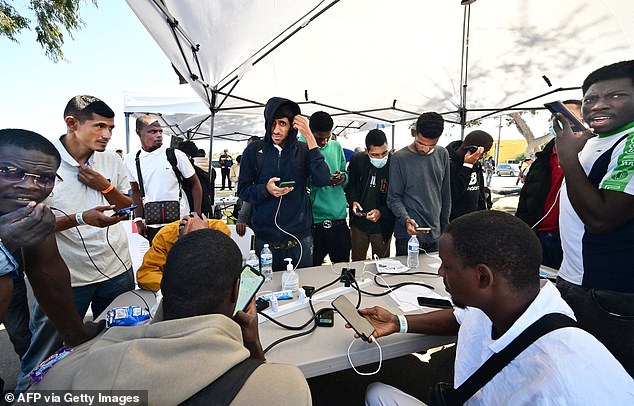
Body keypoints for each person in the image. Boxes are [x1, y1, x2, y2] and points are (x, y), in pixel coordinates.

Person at [352, 211, 634, 405]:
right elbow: (460, 318)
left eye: (447, 266)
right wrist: (398, 322)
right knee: (377, 393)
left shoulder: (567, 378)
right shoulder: (500, 303)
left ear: (482, 277)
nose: (439, 273)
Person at [32, 229, 312, 405]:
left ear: (162, 284)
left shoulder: (58, 378)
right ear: (236, 291)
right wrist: (253, 350)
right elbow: (259, 379)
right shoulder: (286, 386)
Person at [4, 124, 119, 393]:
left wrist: (75, 333)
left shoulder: (35, 213)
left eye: (45, 177)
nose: (31, 185)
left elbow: (48, 273)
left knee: (27, 337)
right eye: (10, 172)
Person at [554, 60, 634, 376]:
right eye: (590, 99)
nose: (598, 105)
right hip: (577, 281)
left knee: (606, 379)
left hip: (609, 293)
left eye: (615, 96)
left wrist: (568, 159)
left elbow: (601, 219)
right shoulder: (596, 141)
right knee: (576, 372)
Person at [238, 97, 330, 270]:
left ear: (291, 126)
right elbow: (243, 190)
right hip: (266, 243)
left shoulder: (303, 150)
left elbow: (323, 179)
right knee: (268, 292)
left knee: (302, 289)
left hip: (300, 240)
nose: (276, 130)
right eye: (272, 123)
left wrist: (309, 136)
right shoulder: (254, 151)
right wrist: (265, 189)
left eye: (282, 124)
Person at [515, 100, 582, 269]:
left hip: (572, 239)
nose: (562, 123)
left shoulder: (590, 156)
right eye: (556, 118)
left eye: (569, 118)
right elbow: (526, 198)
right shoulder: (543, 159)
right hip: (539, 234)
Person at [124, 114, 202, 243]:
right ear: (139, 132)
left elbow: (195, 183)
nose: (159, 135)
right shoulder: (130, 159)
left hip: (181, 222)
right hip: (152, 224)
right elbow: (135, 191)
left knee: (182, 260)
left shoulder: (175, 155)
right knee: (158, 261)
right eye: (153, 131)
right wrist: (138, 220)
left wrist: (196, 214)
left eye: (160, 131)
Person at [387, 112, 450, 255]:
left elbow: (445, 196)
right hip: (407, 236)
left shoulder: (443, 154)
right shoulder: (399, 158)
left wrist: (445, 229)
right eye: (421, 143)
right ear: (414, 133)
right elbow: (393, 198)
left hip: (435, 234)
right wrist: (406, 219)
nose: (425, 149)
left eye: (431, 145)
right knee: (407, 276)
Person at [137, 213, 231, 291]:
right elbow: (145, 275)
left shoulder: (219, 230)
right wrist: (181, 286)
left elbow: (225, 271)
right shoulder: (165, 236)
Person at [304, 111, 351, 265]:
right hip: (313, 223)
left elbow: (345, 173)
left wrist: (343, 177)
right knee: (312, 273)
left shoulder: (336, 146)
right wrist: (320, 179)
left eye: (327, 137)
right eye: (319, 138)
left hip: (339, 220)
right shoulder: (299, 147)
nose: (324, 142)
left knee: (344, 271)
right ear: (310, 133)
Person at [345, 129, 395, 260]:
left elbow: (397, 197)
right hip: (359, 224)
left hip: (382, 226)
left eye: (384, 153)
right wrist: (353, 201)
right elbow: (351, 186)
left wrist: (381, 212)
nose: (380, 158)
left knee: (382, 264)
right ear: (367, 151)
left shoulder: (394, 163)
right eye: (375, 155)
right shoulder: (357, 160)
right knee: (357, 261)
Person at [446, 130, 493, 221]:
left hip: (474, 220)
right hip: (454, 222)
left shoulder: (475, 162)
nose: (484, 155)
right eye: (484, 152)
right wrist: (467, 166)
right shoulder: (447, 162)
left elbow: (480, 190)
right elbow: (452, 193)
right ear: (472, 149)